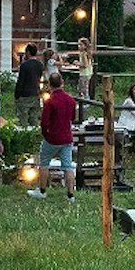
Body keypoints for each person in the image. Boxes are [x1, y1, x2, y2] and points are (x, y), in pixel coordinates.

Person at [33, 71, 78, 199]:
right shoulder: (70, 100)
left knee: (44, 163)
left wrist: (45, 135)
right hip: (67, 137)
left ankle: (42, 190)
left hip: (52, 138)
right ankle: (70, 194)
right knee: (67, 166)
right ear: (62, 83)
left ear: (49, 85)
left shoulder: (50, 101)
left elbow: (44, 122)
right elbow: (73, 117)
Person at [15, 44, 45, 128]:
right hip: (35, 93)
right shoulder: (40, 65)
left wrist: (17, 94)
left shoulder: (24, 66)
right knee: (34, 118)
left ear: (27, 52)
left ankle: (24, 135)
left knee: (22, 118)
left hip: (24, 94)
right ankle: (35, 136)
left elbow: (21, 81)